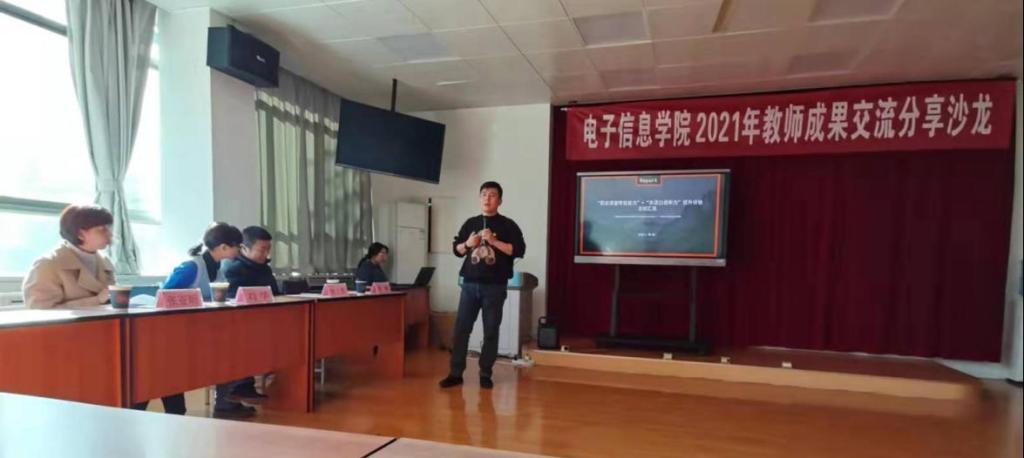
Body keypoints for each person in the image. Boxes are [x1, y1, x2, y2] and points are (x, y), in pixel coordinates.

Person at [131, 222, 243, 417]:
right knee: (162, 375)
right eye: (237, 246)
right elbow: (164, 297)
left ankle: (190, 410)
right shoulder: (191, 266)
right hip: (169, 332)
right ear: (224, 247)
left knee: (173, 377)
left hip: (193, 330)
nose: (239, 250)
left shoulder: (217, 268)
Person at [439, 181, 525, 390]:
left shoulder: (508, 225)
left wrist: (493, 242)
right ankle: (455, 373)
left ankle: (485, 373)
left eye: (492, 195)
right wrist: (468, 244)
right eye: (484, 194)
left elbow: (518, 250)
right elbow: (457, 250)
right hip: (469, 285)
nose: (487, 198)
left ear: (500, 201)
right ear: (479, 198)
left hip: (495, 286)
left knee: (491, 330)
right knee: (461, 329)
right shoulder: (471, 223)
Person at [216, 226, 280, 414]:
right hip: (236, 326)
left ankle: (242, 390)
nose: (266, 254)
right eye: (262, 249)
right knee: (243, 342)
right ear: (244, 248)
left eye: (268, 249)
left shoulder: (264, 268)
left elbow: (275, 294)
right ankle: (235, 393)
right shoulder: (233, 269)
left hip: (263, 322)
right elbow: (232, 300)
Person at [22, 205, 115, 308]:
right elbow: (40, 312)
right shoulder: (47, 265)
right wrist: (97, 300)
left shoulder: (105, 262)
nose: (110, 234)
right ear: (80, 234)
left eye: (108, 228)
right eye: (102, 229)